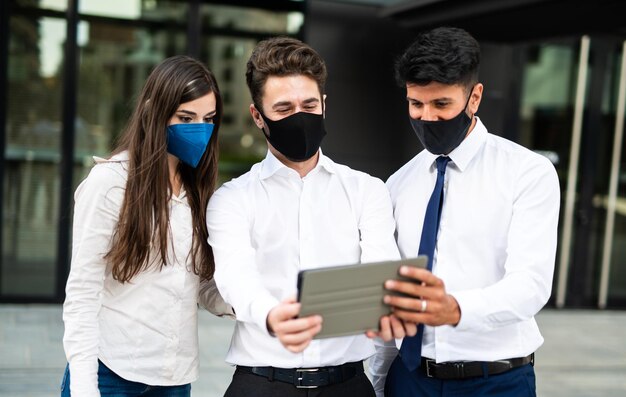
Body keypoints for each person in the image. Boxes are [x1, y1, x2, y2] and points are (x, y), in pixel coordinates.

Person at [206, 36, 413, 397]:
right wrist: (272, 315)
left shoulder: (366, 190)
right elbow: (234, 275)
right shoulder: (232, 199)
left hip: (347, 385)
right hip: (262, 384)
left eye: (309, 104)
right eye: (284, 109)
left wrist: (386, 302)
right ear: (258, 116)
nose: (299, 116)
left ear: (324, 106)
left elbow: (381, 264)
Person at [373, 26, 561, 396]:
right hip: (410, 380)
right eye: (416, 104)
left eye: (441, 104)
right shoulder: (397, 183)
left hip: (497, 381)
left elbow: (531, 285)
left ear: (474, 98)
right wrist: (379, 383)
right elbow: (390, 293)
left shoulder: (527, 172)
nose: (426, 117)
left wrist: (456, 309)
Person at [61, 55, 232, 397]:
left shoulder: (198, 191)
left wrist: (254, 300)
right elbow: (82, 292)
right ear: (155, 110)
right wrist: (84, 386)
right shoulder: (110, 183)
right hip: (109, 373)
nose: (200, 128)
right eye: (186, 117)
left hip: (174, 378)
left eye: (208, 119)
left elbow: (198, 285)